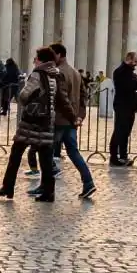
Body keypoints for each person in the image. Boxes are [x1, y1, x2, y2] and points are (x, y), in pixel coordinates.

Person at [0, 46, 73, 201]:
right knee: (45, 159)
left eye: (36, 58)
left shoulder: (37, 74)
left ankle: (8, 187)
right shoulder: (56, 75)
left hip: (31, 121)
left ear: (41, 60)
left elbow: (24, 95)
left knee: (16, 154)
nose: (34, 61)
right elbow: (63, 99)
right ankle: (49, 193)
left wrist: (25, 97)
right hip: (47, 121)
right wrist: (73, 117)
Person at [47, 43, 96, 198]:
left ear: (59, 55)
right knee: (74, 153)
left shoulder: (59, 73)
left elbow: (62, 99)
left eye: (52, 54)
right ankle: (88, 183)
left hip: (61, 120)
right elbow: (83, 97)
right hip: (71, 121)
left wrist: (74, 117)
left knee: (45, 151)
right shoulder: (75, 73)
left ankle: (46, 187)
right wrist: (80, 116)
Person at [108, 52, 137, 166]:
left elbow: (135, 86)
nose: (136, 64)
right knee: (119, 131)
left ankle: (123, 155)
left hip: (130, 106)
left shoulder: (130, 73)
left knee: (126, 132)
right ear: (128, 59)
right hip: (122, 106)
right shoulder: (120, 71)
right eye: (135, 61)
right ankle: (114, 156)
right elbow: (126, 87)